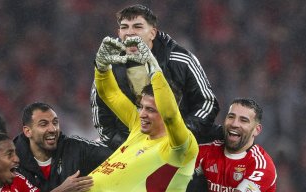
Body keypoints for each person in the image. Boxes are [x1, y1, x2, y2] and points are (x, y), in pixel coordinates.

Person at [77, 36, 198, 192]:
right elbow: (110, 94)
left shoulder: (180, 146)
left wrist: (155, 70)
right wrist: (102, 68)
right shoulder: (138, 129)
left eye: (151, 110)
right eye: (141, 107)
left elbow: (170, 116)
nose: (142, 114)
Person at [91, 4, 221, 151]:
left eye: (137, 27)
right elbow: (102, 118)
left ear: (152, 33)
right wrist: (128, 148)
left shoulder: (179, 59)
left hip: (177, 149)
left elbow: (207, 102)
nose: (130, 32)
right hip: (130, 151)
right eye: (124, 27)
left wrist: (180, 134)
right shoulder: (110, 65)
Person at [14, 102, 112, 192]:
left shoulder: (75, 148)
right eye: (43, 124)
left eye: (55, 122)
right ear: (28, 131)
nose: (53, 129)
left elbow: (114, 153)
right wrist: (61, 191)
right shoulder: (12, 163)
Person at [194, 98, 277, 192]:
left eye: (243, 120)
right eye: (231, 117)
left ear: (256, 130)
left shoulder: (261, 165)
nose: (234, 124)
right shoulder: (208, 151)